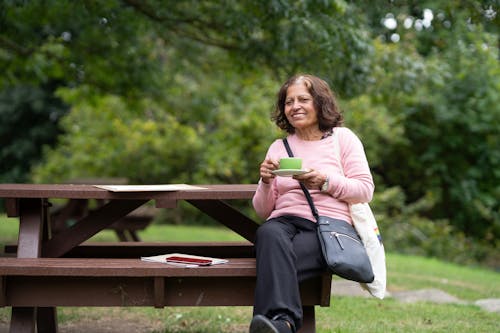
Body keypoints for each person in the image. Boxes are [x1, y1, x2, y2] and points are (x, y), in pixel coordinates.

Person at [249, 74, 374, 333]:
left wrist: (324, 181)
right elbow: (263, 211)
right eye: (288, 101)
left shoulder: (342, 138)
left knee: (275, 266)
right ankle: (282, 325)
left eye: (303, 99)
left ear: (320, 102)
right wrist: (265, 182)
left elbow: (364, 190)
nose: (295, 106)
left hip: (326, 226)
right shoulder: (279, 147)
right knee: (267, 232)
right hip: (283, 223)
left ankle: (277, 324)